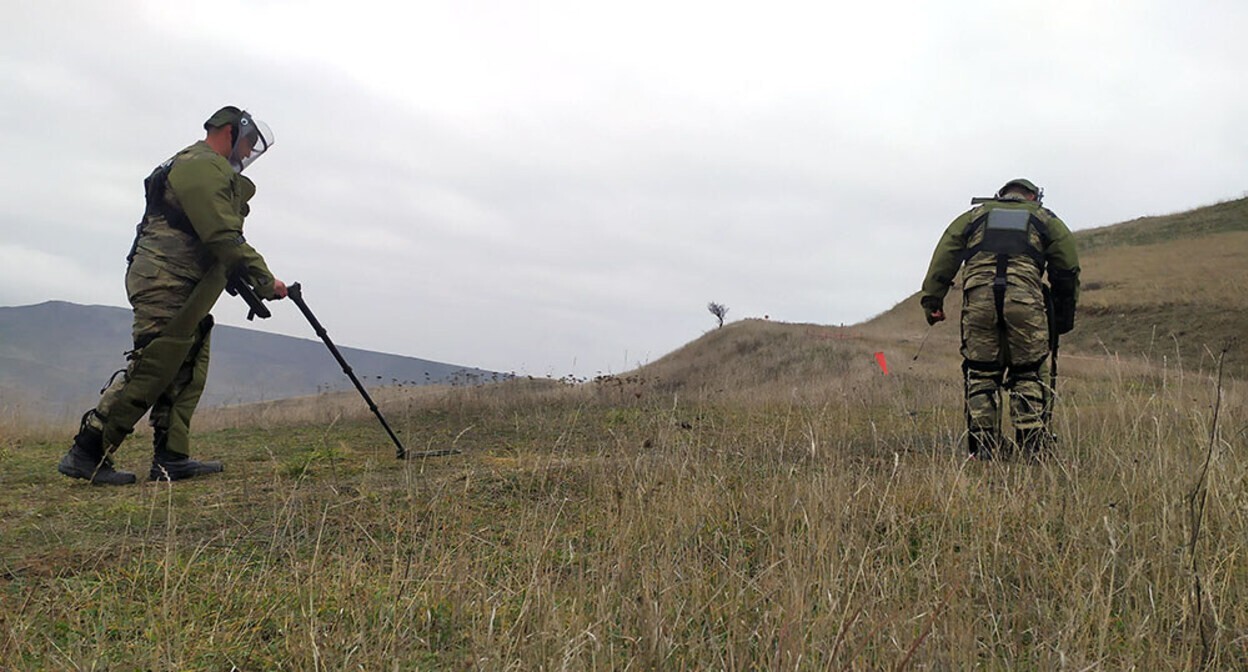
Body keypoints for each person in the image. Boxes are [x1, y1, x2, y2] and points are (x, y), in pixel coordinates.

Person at [58, 106, 287, 484]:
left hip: (185, 281)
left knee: (187, 364)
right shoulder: (200, 164)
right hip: (165, 277)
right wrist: (265, 279)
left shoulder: (202, 166)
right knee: (155, 364)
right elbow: (222, 235)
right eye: (246, 145)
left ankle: (171, 457)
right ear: (229, 132)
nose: (247, 155)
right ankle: (88, 449)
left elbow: (209, 235)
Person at [920, 178, 1080, 460]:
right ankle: (1032, 447)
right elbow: (1066, 268)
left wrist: (933, 299)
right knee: (1028, 371)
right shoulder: (1045, 218)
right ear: (1032, 197)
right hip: (1025, 302)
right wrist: (1064, 316)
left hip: (979, 300)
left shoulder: (973, 217)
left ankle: (983, 448)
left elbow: (944, 256)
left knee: (981, 372)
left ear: (1001, 195)